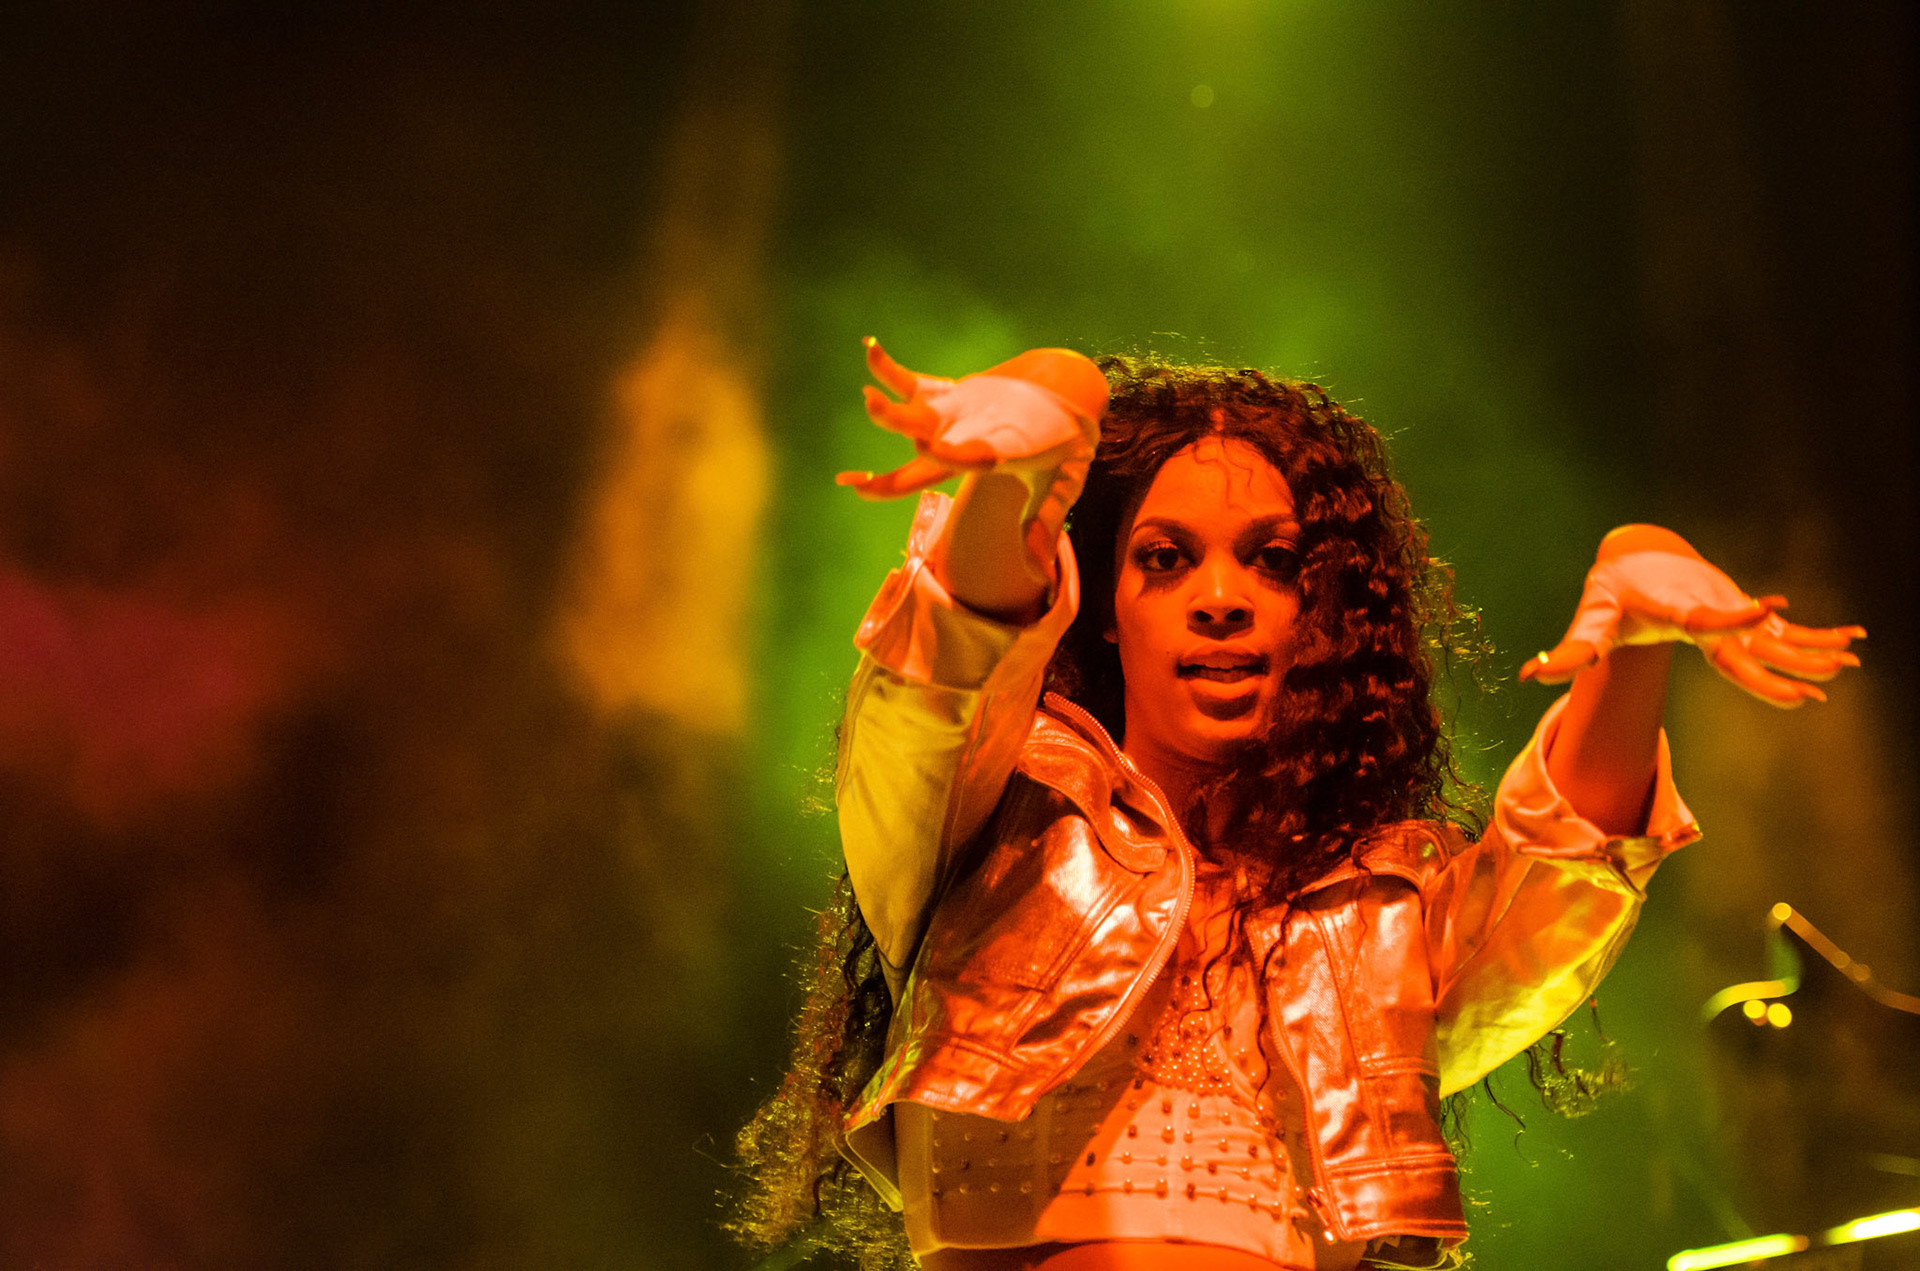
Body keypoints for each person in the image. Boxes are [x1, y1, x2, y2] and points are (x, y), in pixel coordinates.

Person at [732, 341, 1862, 1271]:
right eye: (1166, 558)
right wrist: (1036, 435)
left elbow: (1557, 885)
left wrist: (1636, 633)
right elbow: (939, 681)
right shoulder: (998, 817)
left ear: (1318, 616)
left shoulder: (1367, 915)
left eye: (1272, 562)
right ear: (1107, 606)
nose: (1222, 599)